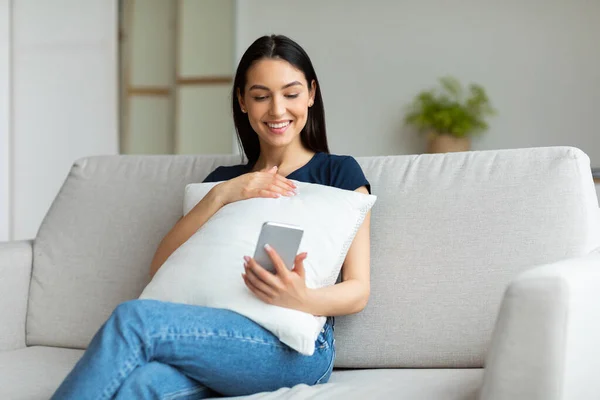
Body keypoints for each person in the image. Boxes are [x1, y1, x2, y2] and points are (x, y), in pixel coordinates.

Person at [51, 34, 372, 400]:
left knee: (135, 319)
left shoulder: (339, 174)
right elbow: (161, 265)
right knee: (142, 386)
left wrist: (300, 297)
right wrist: (223, 194)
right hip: (219, 340)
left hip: (297, 348)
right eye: (261, 96)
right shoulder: (220, 182)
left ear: (311, 94)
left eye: (291, 93)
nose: (277, 110)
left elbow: (358, 290)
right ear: (242, 101)